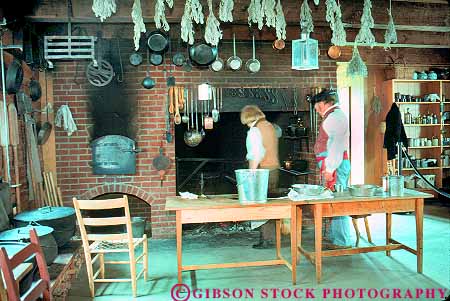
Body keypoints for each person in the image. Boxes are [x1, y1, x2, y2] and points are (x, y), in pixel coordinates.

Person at [312, 89, 352, 249]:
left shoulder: (334, 118)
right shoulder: (335, 116)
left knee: (338, 201)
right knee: (333, 199)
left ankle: (342, 241)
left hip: (335, 164)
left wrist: (329, 169)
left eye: (316, 106)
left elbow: (336, 146)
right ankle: (336, 236)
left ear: (323, 103)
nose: (316, 110)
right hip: (335, 163)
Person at [240, 105, 280, 249]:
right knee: (269, 204)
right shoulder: (270, 126)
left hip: (262, 171)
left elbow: (255, 154)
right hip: (274, 169)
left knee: (262, 206)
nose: (246, 125)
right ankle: (270, 238)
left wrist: (251, 174)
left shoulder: (255, 130)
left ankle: (266, 240)